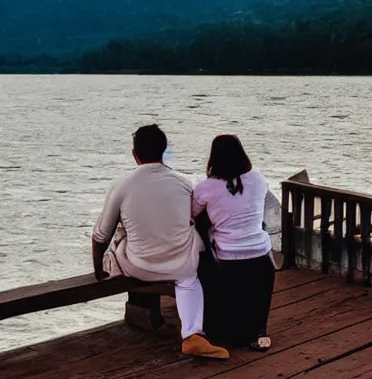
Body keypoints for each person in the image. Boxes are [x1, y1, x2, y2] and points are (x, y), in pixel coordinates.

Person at [92, 124, 229, 360]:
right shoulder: (184, 183)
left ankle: (184, 331)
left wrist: (97, 268)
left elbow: (100, 236)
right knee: (189, 280)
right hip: (180, 265)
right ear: (163, 151)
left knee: (122, 238)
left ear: (135, 155)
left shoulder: (122, 185)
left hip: (138, 266)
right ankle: (192, 335)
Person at [192, 134, 275, 351]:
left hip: (226, 257)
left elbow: (191, 215)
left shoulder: (205, 188)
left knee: (202, 238)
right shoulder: (258, 179)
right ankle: (259, 330)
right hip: (260, 254)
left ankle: (213, 325)